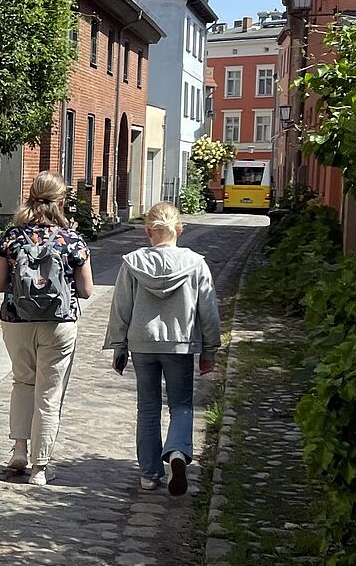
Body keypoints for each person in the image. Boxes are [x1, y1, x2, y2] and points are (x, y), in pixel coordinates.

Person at [103, 201, 220, 496]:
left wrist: (119, 346)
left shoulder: (132, 263)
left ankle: (149, 473)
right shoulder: (196, 264)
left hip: (142, 344)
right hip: (179, 345)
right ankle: (178, 453)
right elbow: (208, 310)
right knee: (180, 405)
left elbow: (121, 307)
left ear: (148, 231)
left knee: (148, 408)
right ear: (180, 229)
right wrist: (210, 350)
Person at [0, 171, 93, 485]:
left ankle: (19, 449)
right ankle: (40, 467)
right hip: (59, 323)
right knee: (49, 393)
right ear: (60, 201)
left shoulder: (11, 237)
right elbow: (87, 290)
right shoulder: (72, 239)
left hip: (16, 320)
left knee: (23, 382)